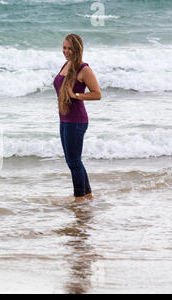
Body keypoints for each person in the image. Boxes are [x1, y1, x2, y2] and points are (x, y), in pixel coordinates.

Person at [53, 34, 101, 202]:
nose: (66, 51)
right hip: (64, 120)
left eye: (69, 48)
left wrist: (76, 95)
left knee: (74, 162)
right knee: (73, 161)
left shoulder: (84, 69)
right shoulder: (66, 65)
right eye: (64, 47)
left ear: (77, 49)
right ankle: (87, 195)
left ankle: (79, 198)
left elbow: (97, 94)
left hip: (76, 121)